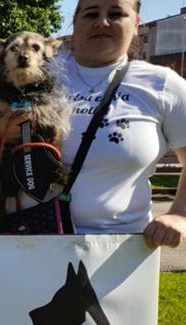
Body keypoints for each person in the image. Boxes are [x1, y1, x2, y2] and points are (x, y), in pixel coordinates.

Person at [60, 0, 186, 245]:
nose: (102, 22)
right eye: (91, 13)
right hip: (25, 244)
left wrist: (180, 214)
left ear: (136, 24)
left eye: (116, 14)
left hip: (121, 251)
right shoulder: (34, 76)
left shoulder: (162, 84)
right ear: (75, 23)